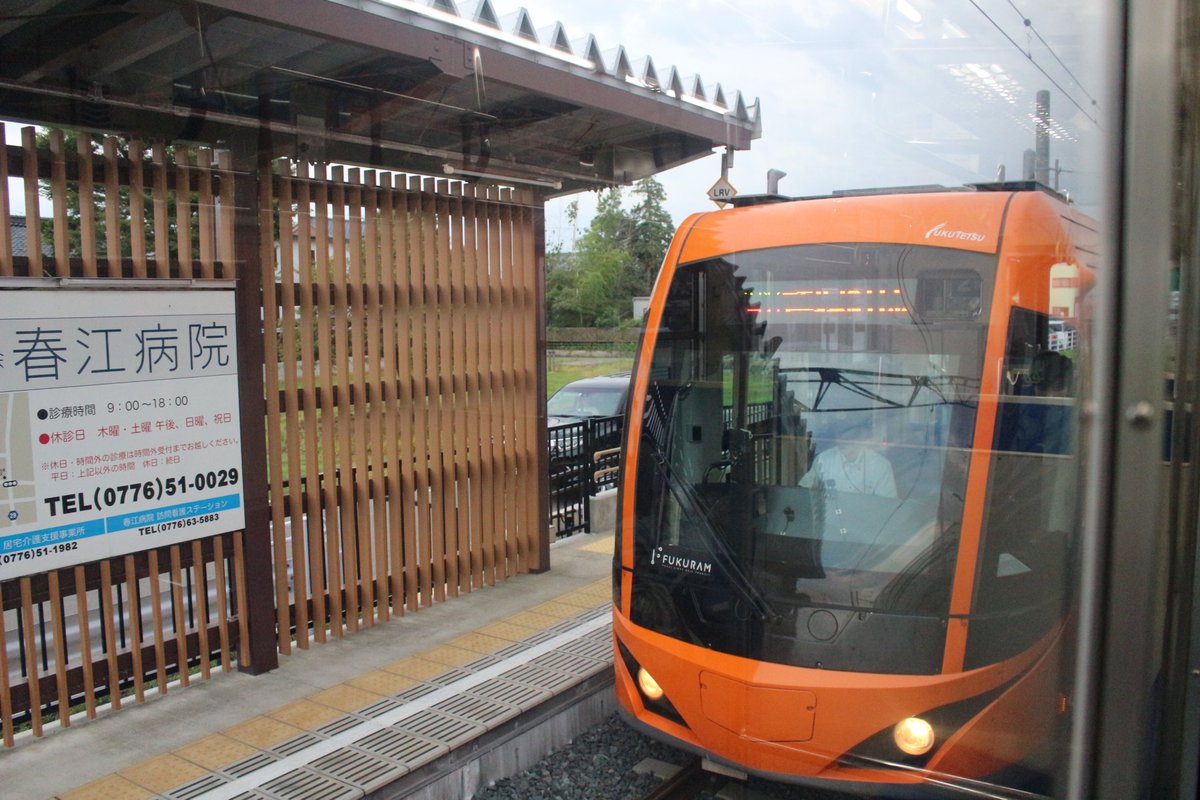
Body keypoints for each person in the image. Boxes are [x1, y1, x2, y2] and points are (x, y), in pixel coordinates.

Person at [800, 421, 897, 497]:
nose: (844, 439)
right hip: (828, 520)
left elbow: (888, 505)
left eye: (850, 434)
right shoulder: (823, 460)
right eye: (840, 434)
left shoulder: (881, 465)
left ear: (860, 436)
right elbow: (803, 491)